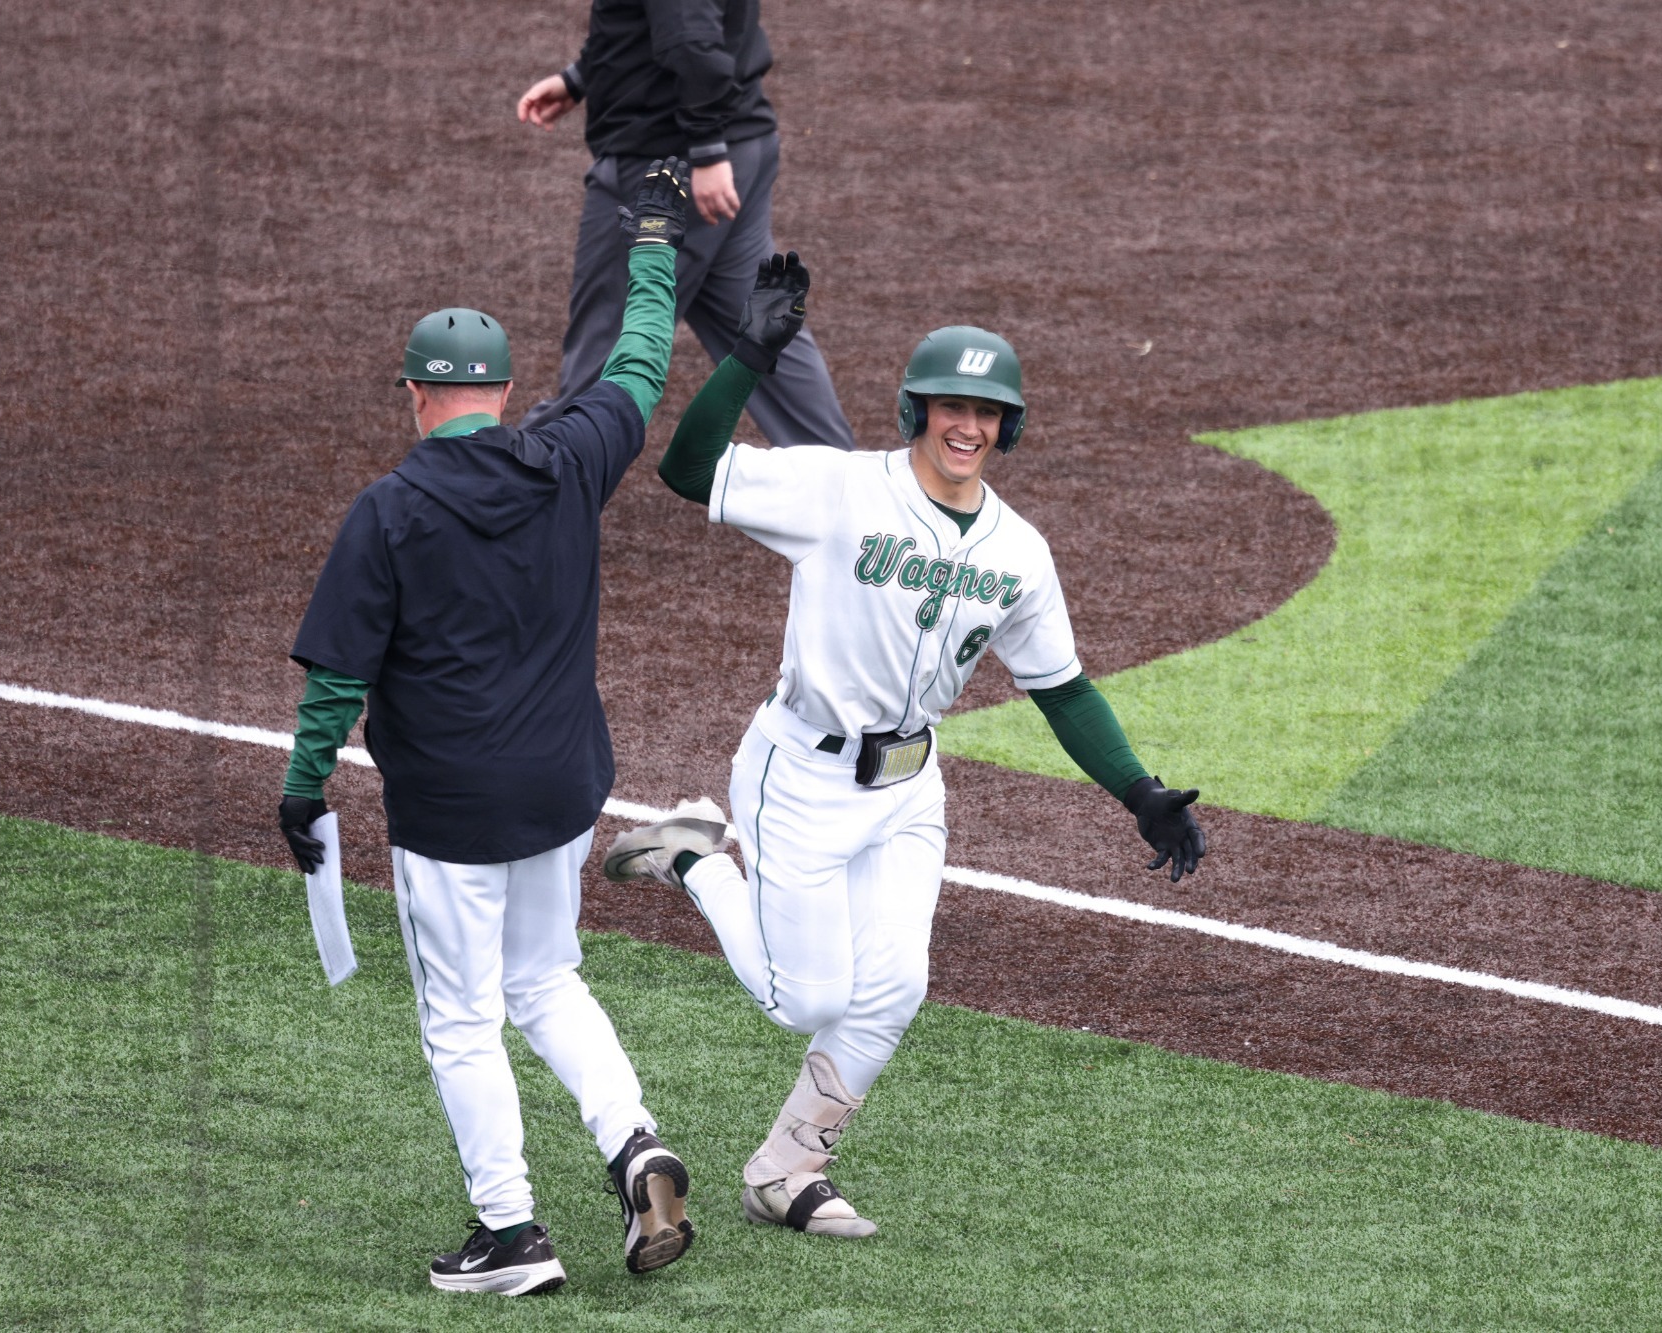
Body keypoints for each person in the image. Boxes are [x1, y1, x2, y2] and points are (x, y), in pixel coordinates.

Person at [601, 253, 1208, 1237]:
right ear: (914, 411)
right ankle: (696, 859)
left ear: (1007, 426)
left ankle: (788, 1168)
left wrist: (1137, 791)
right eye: (946, 406)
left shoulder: (1017, 551)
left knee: (895, 984)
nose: (965, 426)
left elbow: (1060, 688)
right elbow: (686, 470)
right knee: (807, 1001)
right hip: (799, 770)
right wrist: (751, 352)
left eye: (985, 411)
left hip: (908, 786)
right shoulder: (838, 491)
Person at [275, 161, 700, 1294]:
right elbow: (641, 361)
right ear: (506, 391)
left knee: (461, 1018)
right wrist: (650, 244)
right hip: (562, 789)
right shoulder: (569, 456)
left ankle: (511, 1233)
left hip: (452, 811)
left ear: (414, 393)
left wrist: (302, 787)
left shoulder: (390, 510)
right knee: (547, 979)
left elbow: (333, 679)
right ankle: (633, 1143)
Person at [513, 0, 853, 447]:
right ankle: (843, 493)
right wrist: (582, 77)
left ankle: (505, 494)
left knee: (605, 357)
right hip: (738, 143)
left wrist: (707, 147)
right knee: (762, 335)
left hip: (669, 164)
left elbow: (690, 35)